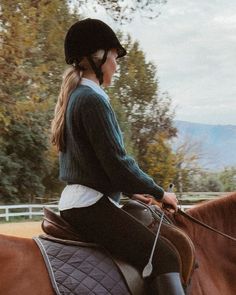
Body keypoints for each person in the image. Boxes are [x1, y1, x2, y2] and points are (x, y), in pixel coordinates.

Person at [51, 18, 185, 295]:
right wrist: (160, 193)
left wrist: (130, 193)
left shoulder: (79, 96)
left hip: (85, 200)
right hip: (90, 205)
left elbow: (96, 165)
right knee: (165, 257)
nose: (117, 64)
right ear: (97, 58)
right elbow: (118, 163)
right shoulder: (91, 99)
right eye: (114, 56)